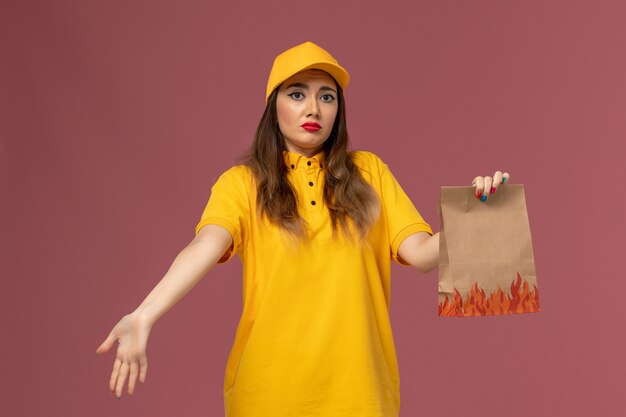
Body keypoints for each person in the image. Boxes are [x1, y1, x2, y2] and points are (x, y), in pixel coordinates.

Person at [96, 41, 510, 416]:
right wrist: (145, 315)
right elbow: (204, 246)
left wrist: (474, 214)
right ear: (274, 107)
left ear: (337, 111)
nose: (313, 108)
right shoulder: (243, 183)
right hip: (267, 397)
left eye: (326, 97)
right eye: (297, 94)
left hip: (361, 397)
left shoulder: (370, 173)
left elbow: (421, 253)